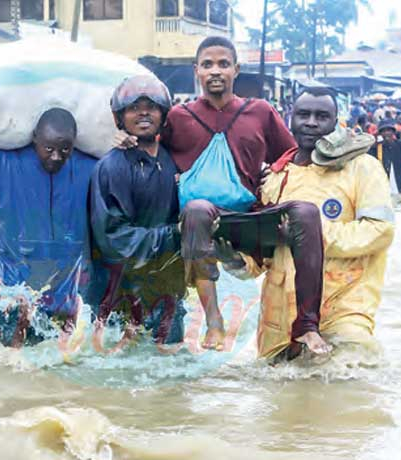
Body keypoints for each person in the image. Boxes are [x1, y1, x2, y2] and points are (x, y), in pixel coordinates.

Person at [116, 36, 329, 354]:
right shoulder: (178, 116)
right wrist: (127, 140)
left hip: (250, 219)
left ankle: (307, 326)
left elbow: (293, 156)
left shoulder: (260, 111)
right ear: (196, 71)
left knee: (307, 213)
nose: (215, 71)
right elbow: (151, 146)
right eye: (207, 64)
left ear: (236, 70)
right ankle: (214, 321)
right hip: (201, 226)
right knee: (198, 208)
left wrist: (278, 169)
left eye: (223, 64)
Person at [215, 87, 395, 360]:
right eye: (304, 114)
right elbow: (263, 258)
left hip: (344, 309)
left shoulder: (362, 167)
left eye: (321, 116)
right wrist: (234, 260)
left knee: (349, 380)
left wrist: (309, 235)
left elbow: (380, 231)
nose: (311, 122)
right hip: (278, 320)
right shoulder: (276, 177)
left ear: (336, 122)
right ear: (291, 119)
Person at [0, 99, 97, 347]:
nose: (56, 157)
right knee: (3, 359)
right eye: (48, 148)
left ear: (74, 145)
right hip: (11, 283)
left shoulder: (91, 169)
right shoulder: (1, 164)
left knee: (54, 365)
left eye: (65, 150)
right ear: (34, 137)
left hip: (63, 290)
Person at [88, 75, 187, 345]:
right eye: (133, 107)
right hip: (121, 294)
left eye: (151, 107)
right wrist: (175, 235)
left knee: (172, 375)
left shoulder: (173, 160)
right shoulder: (112, 167)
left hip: (168, 289)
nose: (143, 113)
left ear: (164, 114)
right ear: (119, 118)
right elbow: (113, 240)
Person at [373, 121, 401, 194]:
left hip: (400, 185)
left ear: (393, 132)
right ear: (380, 134)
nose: (386, 133)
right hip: (383, 187)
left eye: (389, 130)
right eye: (383, 131)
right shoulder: (376, 148)